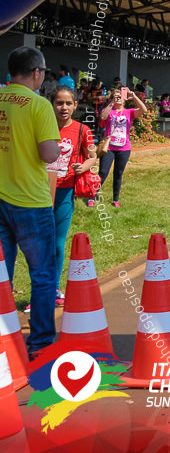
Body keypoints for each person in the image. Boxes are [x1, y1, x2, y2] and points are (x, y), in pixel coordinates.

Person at [0, 47, 60, 358]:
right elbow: (48, 153)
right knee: (42, 275)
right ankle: (41, 343)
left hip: (0, 198)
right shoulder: (39, 105)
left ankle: (4, 342)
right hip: (31, 203)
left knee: (2, 275)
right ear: (36, 72)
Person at [48, 85, 96, 306]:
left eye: (68, 103)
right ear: (52, 104)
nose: (63, 107)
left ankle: (54, 289)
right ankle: (40, 291)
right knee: (40, 244)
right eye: (59, 103)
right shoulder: (42, 127)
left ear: (76, 105)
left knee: (57, 243)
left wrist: (83, 167)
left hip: (65, 191)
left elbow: (93, 157)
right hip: (39, 192)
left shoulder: (82, 130)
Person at [98, 87, 147, 208]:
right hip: (108, 147)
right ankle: (93, 194)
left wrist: (134, 96)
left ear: (124, 99)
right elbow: (103, 117)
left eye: (120, 96)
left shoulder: (128, 112)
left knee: (118, 173)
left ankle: (115, 199)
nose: (118, 98)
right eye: (115, 96)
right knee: (103, 172)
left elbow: (143, 109)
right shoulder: (109, 110)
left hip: (124, 148)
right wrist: (111, 103)